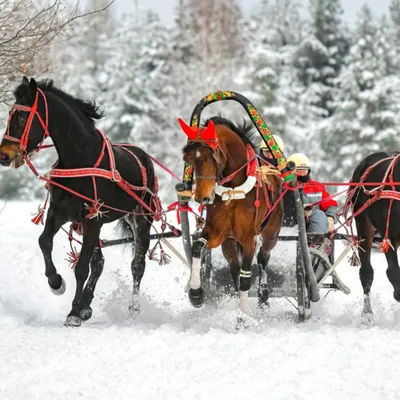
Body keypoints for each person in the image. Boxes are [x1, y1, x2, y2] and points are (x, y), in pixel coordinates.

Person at [287, 153, 338, 234]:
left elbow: (330, 204)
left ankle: (315, 242)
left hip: (313, 222)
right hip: (290, 221)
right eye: (299, 171)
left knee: (319, 215)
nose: (302, 174)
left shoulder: (317, 186)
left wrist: (330, 218)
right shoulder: (284, 187)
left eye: (304, 170)